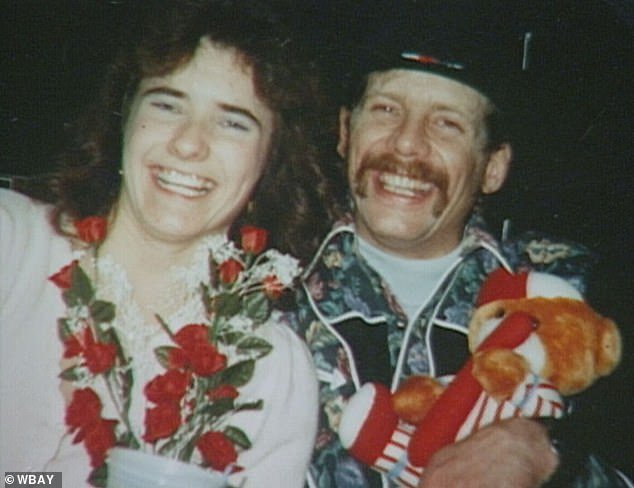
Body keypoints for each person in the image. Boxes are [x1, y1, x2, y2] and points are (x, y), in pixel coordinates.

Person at [291, 4, 632, 487]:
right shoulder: (266, 289)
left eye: (446, 123)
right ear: (345, 133)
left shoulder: (575, 296)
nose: (407, 144)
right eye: (387, 110)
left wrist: (551, 457)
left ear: (493, 167)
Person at [0, 1, 338, 486]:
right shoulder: (12, 243)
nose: (188, 144)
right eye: (167, 104)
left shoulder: (273, 372)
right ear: (123, 119)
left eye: (233, 122)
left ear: (270, 163)